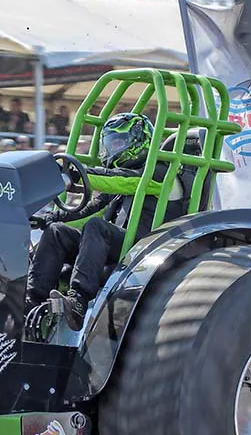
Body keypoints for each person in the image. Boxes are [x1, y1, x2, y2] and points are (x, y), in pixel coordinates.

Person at [24, 113, 177, 337]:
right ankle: (33, 301)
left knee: (97, 226)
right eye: (110, 143)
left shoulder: (158, 172)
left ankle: (78, 300)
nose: (112, 149)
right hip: (109, 242)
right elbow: (88, 211)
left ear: (137, 141)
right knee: (57, 232)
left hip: (144, 245)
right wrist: (49, 219)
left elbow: (121, 180)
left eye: (118, 143)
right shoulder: (119, 182)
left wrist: (79, 174)